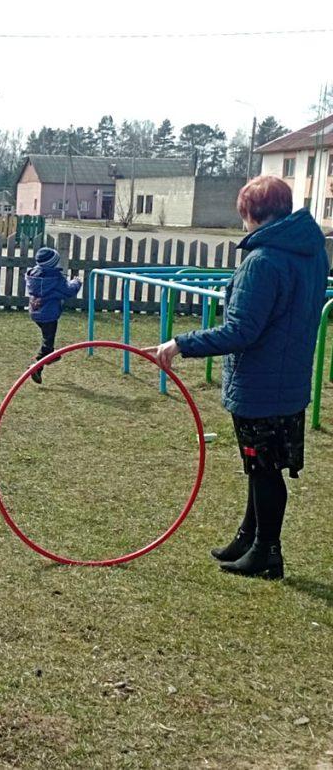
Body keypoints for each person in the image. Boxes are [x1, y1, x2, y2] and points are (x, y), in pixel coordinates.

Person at [144, 176, 329, 579]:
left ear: (253, 213)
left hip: (262, 384)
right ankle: (249, 537)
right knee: (260, 465)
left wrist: (180, 344)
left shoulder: (263, 261)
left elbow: (241, 331)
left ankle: (267, 552)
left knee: (264, 468)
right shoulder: (311, 253)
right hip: (289, 379)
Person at [24, 246, 81, 384]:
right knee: (47, 342)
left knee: (47, 339)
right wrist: (76, 282)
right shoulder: (55, 277)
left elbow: (52, 291)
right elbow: (68, 291)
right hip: (48, 314)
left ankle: (51, 356)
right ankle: (37, 366)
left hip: (35, 311)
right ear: (53, 263)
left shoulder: (33, 274)